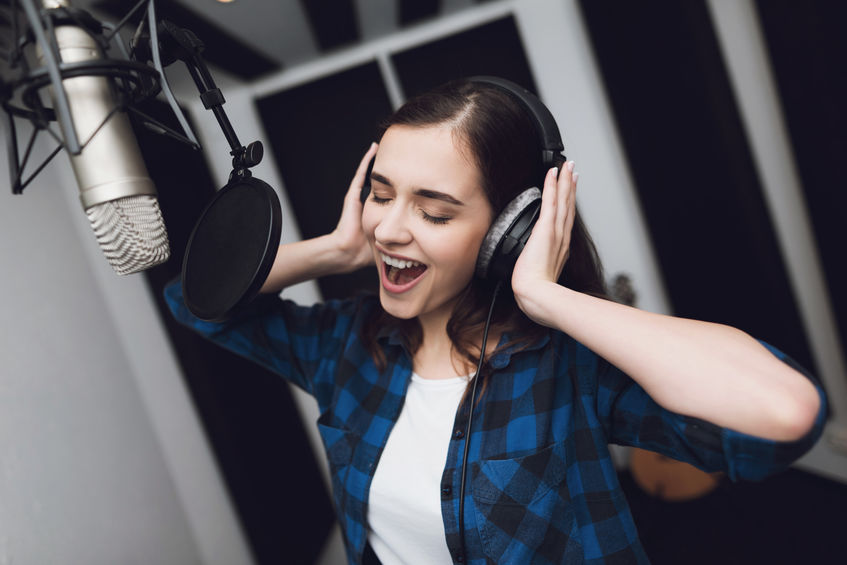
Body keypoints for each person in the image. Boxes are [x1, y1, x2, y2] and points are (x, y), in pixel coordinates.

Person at [165, 78, 826, 564]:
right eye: (381, 192)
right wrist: (334, 248)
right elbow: (199, 302)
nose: (389, 228)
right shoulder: (345, 343)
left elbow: (783, 413)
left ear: (503, 232)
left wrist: (544, 292)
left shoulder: (565, 367)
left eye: (435, 210)